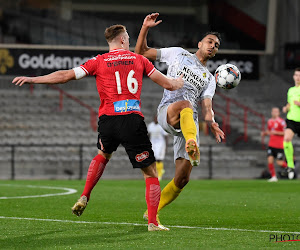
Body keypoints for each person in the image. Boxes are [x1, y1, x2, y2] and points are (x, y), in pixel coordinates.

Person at [12, 24, 184, 231]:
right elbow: (168, 85)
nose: (128, 41)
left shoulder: (98, 61)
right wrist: (179, 81)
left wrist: (33, 79)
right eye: (128, 37)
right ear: (122, 40)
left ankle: (85, 194)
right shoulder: (140, 60)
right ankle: (153, 222)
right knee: (150, 173)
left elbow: (65, 76)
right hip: (131, 119)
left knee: (103, 154)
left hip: (108, 121)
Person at [135, 13, 225, 224]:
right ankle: (192, 142)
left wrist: (212, 122)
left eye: (217, 45)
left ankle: (153, 211)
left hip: (189, 122)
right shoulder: (177, 53)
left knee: (182, 179)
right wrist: (145, 27)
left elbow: (207, 107)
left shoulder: (210, 79)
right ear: (200, 43)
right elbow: (141, 52)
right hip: (168, 111)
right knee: (185, 104)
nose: (213, 46)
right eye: (210, 41)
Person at [282, 67, 300, 180]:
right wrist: (286, 108)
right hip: (292, 119)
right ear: (293, 76)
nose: (298, 77)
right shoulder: (291, 90)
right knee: (287, 139)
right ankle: (290, 166)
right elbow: (289, 104)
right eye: (296, 75)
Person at [261, 107, 287, 182]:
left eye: (276, 111)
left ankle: (290, 169)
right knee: (270, 160)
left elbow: (285, 133)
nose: (274, 113)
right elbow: (269, 131)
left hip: (279, 145)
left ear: (279, 113)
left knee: (279, 162)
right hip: (271, 145)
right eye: (273, 111)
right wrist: (265, 133)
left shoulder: (281, 122)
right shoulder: (269, 121)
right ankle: (273, 177)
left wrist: (276, 132)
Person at [148, 115, 168, 181]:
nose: (156, 119)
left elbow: (166, 136)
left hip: (161, 144)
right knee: (153, 159)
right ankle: (155, 173)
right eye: (155, 118)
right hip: (153, 143)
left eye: (157, 118)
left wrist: (166, 146)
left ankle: (160, 174)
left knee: (159, 159)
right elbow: (149, 135)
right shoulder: (150, 125)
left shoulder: (161, 126)